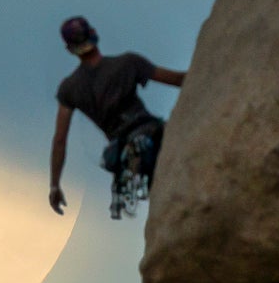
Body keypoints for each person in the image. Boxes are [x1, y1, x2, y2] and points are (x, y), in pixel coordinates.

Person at [49, 15, 187, 216]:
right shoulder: (128, 63)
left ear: (70, 49)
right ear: (94, 34)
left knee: (162, 194)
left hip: (126, 155)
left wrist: (54, 185)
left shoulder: (69, 88)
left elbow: (60, 140)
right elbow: (178, 80)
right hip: (155, 136)